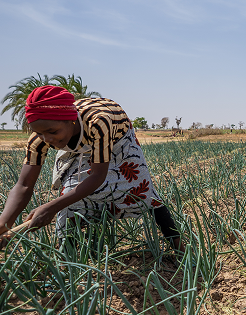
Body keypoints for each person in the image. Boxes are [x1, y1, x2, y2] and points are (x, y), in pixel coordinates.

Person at [0, 86, 183, 252]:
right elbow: (24, 185)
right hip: (82, 145)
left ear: (71, 120)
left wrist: (50, 208)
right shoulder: (40, 139)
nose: (47, 139)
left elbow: (97, 176)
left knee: (144, 193)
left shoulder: (98, 122)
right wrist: (3, 225)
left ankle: (181, 250)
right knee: (68, 199)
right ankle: (67, 263)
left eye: (52, 132)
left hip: (119, 139)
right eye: (39, 133)